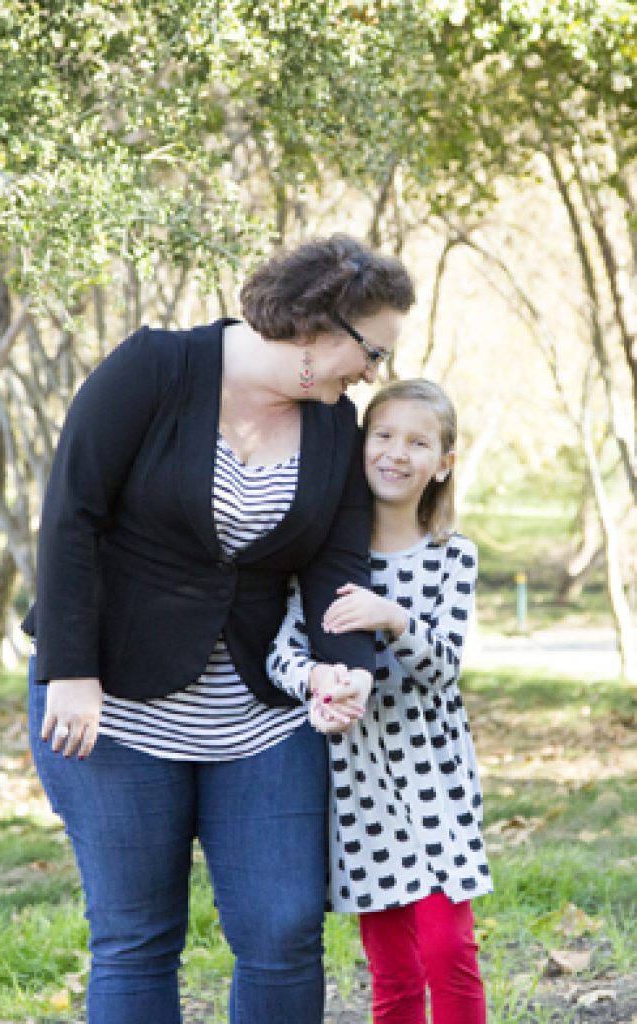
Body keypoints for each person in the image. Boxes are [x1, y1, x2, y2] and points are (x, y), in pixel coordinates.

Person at [23, 234, 415, 1024]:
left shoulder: (335, 426)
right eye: (372, 352)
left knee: (285, 931)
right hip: (114, 708)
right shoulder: (154, 368)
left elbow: (337, 561)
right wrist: (70, 668)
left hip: (262, 719)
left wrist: (347, 667)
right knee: (137, 939)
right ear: (316, 326)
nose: (373, 373)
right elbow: (72, 514)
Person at [268, 378, 492, 1024]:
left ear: (443, 463)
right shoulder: (324, 560)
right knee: (392, 969)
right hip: (358, 785)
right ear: (360, 446)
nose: (397, 453)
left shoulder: (453, 557)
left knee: (449, 950)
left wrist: (392, 617)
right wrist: (317, 681)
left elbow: (443, 668)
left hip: (437, 779)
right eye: (384, 435)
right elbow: (281, 653)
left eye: (418, 442)